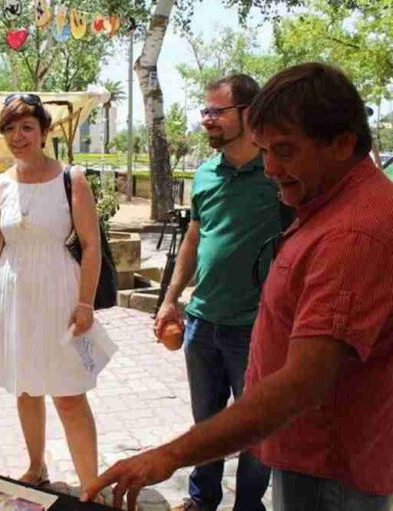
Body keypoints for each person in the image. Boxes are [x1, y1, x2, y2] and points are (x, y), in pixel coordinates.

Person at [84, 63, 393, 511]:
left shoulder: (353, 235)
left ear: (342, 143)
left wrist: (169, 455)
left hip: (330, 470)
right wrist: (172, 298)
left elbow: (300, 386)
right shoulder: (326, 202)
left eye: (285, 151)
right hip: (308, 454)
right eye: (266, 151)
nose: (271, 169)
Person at [0, 94, 114, 493]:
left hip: (60, 294)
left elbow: (91, 246)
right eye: (10, 129)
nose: (18, 136)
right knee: (26, 385)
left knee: (69, 394)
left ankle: (91, 486)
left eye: (26, 127)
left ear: (44, 132)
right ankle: (35, 467)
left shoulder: (73, 178)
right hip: (12, 296)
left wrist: (85, 302)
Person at [153, 74, 279, 511]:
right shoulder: (205, 173)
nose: (206, 119)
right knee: (206, 423)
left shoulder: (277, 171)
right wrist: (171, 298)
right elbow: (194, 236)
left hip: (256, 327)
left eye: (216, 111)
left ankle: (248, 506)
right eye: (204, 111)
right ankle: (202, 500)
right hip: (203, 322)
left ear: (249, 113)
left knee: (254, 429)